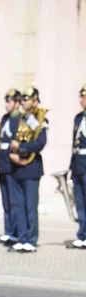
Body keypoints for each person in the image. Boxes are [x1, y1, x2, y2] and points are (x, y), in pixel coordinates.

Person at [8, 85, 47, 253]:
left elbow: (40, 143)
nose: (23, 101)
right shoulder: (19, 118)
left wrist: (21, 149)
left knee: (30, 206)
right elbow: (11, 138)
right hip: (16, 167)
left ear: (35, 101)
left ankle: (31, 239)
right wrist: (13, 154)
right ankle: (22, 238)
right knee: (18, 205)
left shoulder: (40, 119)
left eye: (26, 98)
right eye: (22, 98)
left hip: (31, 168)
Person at [0, 89, 21, 246]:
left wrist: (1, 148)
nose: (6, 104)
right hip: (2, 164)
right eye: (6, 101)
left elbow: (15, 143)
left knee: (14, 201)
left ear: (17, 103)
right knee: (6, 201)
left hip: (11, 165)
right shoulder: (4, 118)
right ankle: (8, 231)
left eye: (9, 101)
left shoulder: (19, 119)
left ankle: (15, 232)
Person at [66, 84, 86, 249]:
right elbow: (75, 145)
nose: (81, 100)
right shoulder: (78, 118)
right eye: (81, 97)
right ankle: (82, 235)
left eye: (84, 97)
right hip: (78, 164)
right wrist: (71, 168)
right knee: (79, 202)